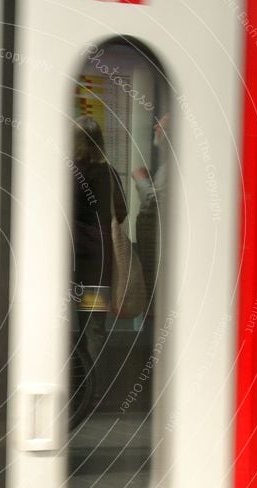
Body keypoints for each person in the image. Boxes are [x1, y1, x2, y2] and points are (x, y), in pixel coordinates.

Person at [72, 116, 127, 367]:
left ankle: (71, 381)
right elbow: (122, 211)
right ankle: (93, 390)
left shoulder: (69, 172)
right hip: (97, 265)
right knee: (93, 327)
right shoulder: (109, 173)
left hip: (69, 264)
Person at [131, 113, 168, 309]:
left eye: (161, 124)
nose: (155, 127)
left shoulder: (173, 165)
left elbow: (154, 201)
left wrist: (140, 180)